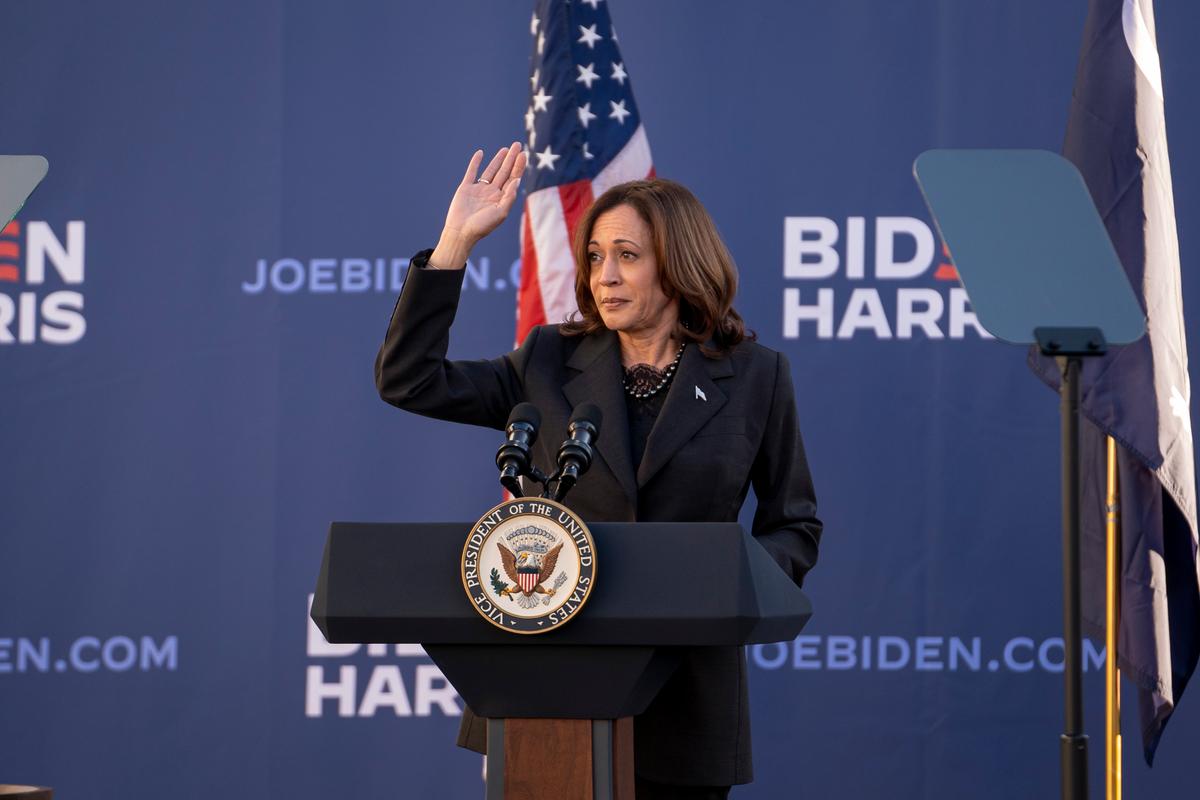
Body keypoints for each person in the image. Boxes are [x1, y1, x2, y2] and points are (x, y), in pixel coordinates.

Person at [375, 142, 822, 798]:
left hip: (685, 695)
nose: (604, 274)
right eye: (594, 256)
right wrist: (454, 245)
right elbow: (408, 381)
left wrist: (734, 583)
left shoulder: (756, 377)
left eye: (627, 256)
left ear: (678, 266)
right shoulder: (550, 358)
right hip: (549, 685)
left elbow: (794, 525)